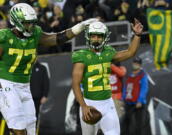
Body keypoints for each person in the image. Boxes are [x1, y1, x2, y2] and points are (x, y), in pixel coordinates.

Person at [0, 3, 98, 135]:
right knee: (18, 127)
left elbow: (57, 38)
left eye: (32, 23)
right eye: (27, 23)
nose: (31, 26)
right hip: (6, 85)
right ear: (16, 22)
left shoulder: (35, 33)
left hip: (24, 86)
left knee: (30, 130)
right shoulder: (4, 37)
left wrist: (78, 28)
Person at [72, 19, 143, 135]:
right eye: (93, 36)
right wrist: (83, 106)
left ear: (104, 37)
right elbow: (75, 84)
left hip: (107, 103)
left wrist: (137, 35)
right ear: (88, 37)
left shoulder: (108, 53)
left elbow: (130, 52)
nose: (95, 39)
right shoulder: (81, 56)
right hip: (89, 103)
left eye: (99, 36)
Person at [121, 56, 151, 135]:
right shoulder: (130, 76)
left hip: (138, 105)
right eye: (134, 63)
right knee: (125, 124)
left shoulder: (143, 75)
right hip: (128, 104)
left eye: (137, 63)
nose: (135, 65)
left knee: (138, 125)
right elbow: (125, 88)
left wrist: (140, 101)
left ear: (140, 65)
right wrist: (123, 98)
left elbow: (144, 89)